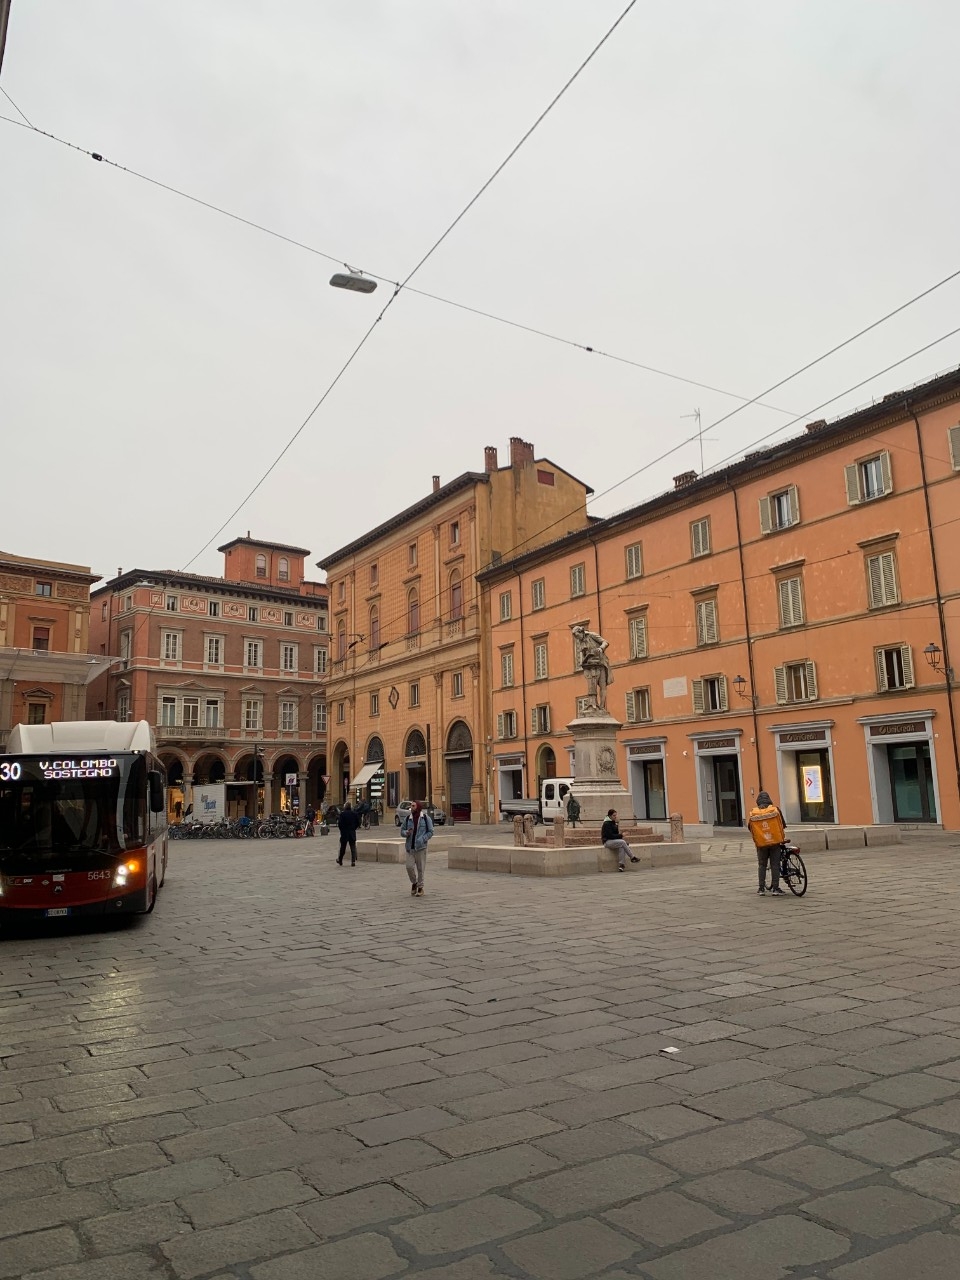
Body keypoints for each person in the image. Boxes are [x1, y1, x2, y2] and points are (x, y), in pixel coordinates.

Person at [747, 790, 786, 896]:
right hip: (775, 842)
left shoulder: (754, 812)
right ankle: (776, 889)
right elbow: (783, 824)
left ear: (758, 801)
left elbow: (750, 827)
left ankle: (761, 889)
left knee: (762, 865)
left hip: (761, 844)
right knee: (775, 865)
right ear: (769, 800)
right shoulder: (775, 810)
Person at [571, 624, 613, 710]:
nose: (577, 639)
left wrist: (601, 648)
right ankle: (593, 705)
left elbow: (605, 642)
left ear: (581, 632)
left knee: (602, 685)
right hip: (590, 665)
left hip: (600, 663)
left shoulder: (592, 635)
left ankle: (602, 707)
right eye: (576, 637)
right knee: (592, 687)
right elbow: (584, 654)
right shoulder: (581, 642)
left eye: (578, 636)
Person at [402, 801, 434, 897]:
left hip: (421, 847)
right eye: (411, 806)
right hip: (410, 848)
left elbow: (431, 832)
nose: (411, 807)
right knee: (409, 867)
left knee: (420, 869)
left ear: (418, 807)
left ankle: (420, 888)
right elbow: (402, 830)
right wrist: (406, 832)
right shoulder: (408, 818)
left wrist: (423, 839)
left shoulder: (425, 818)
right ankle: (414, 882)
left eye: (413, 806)